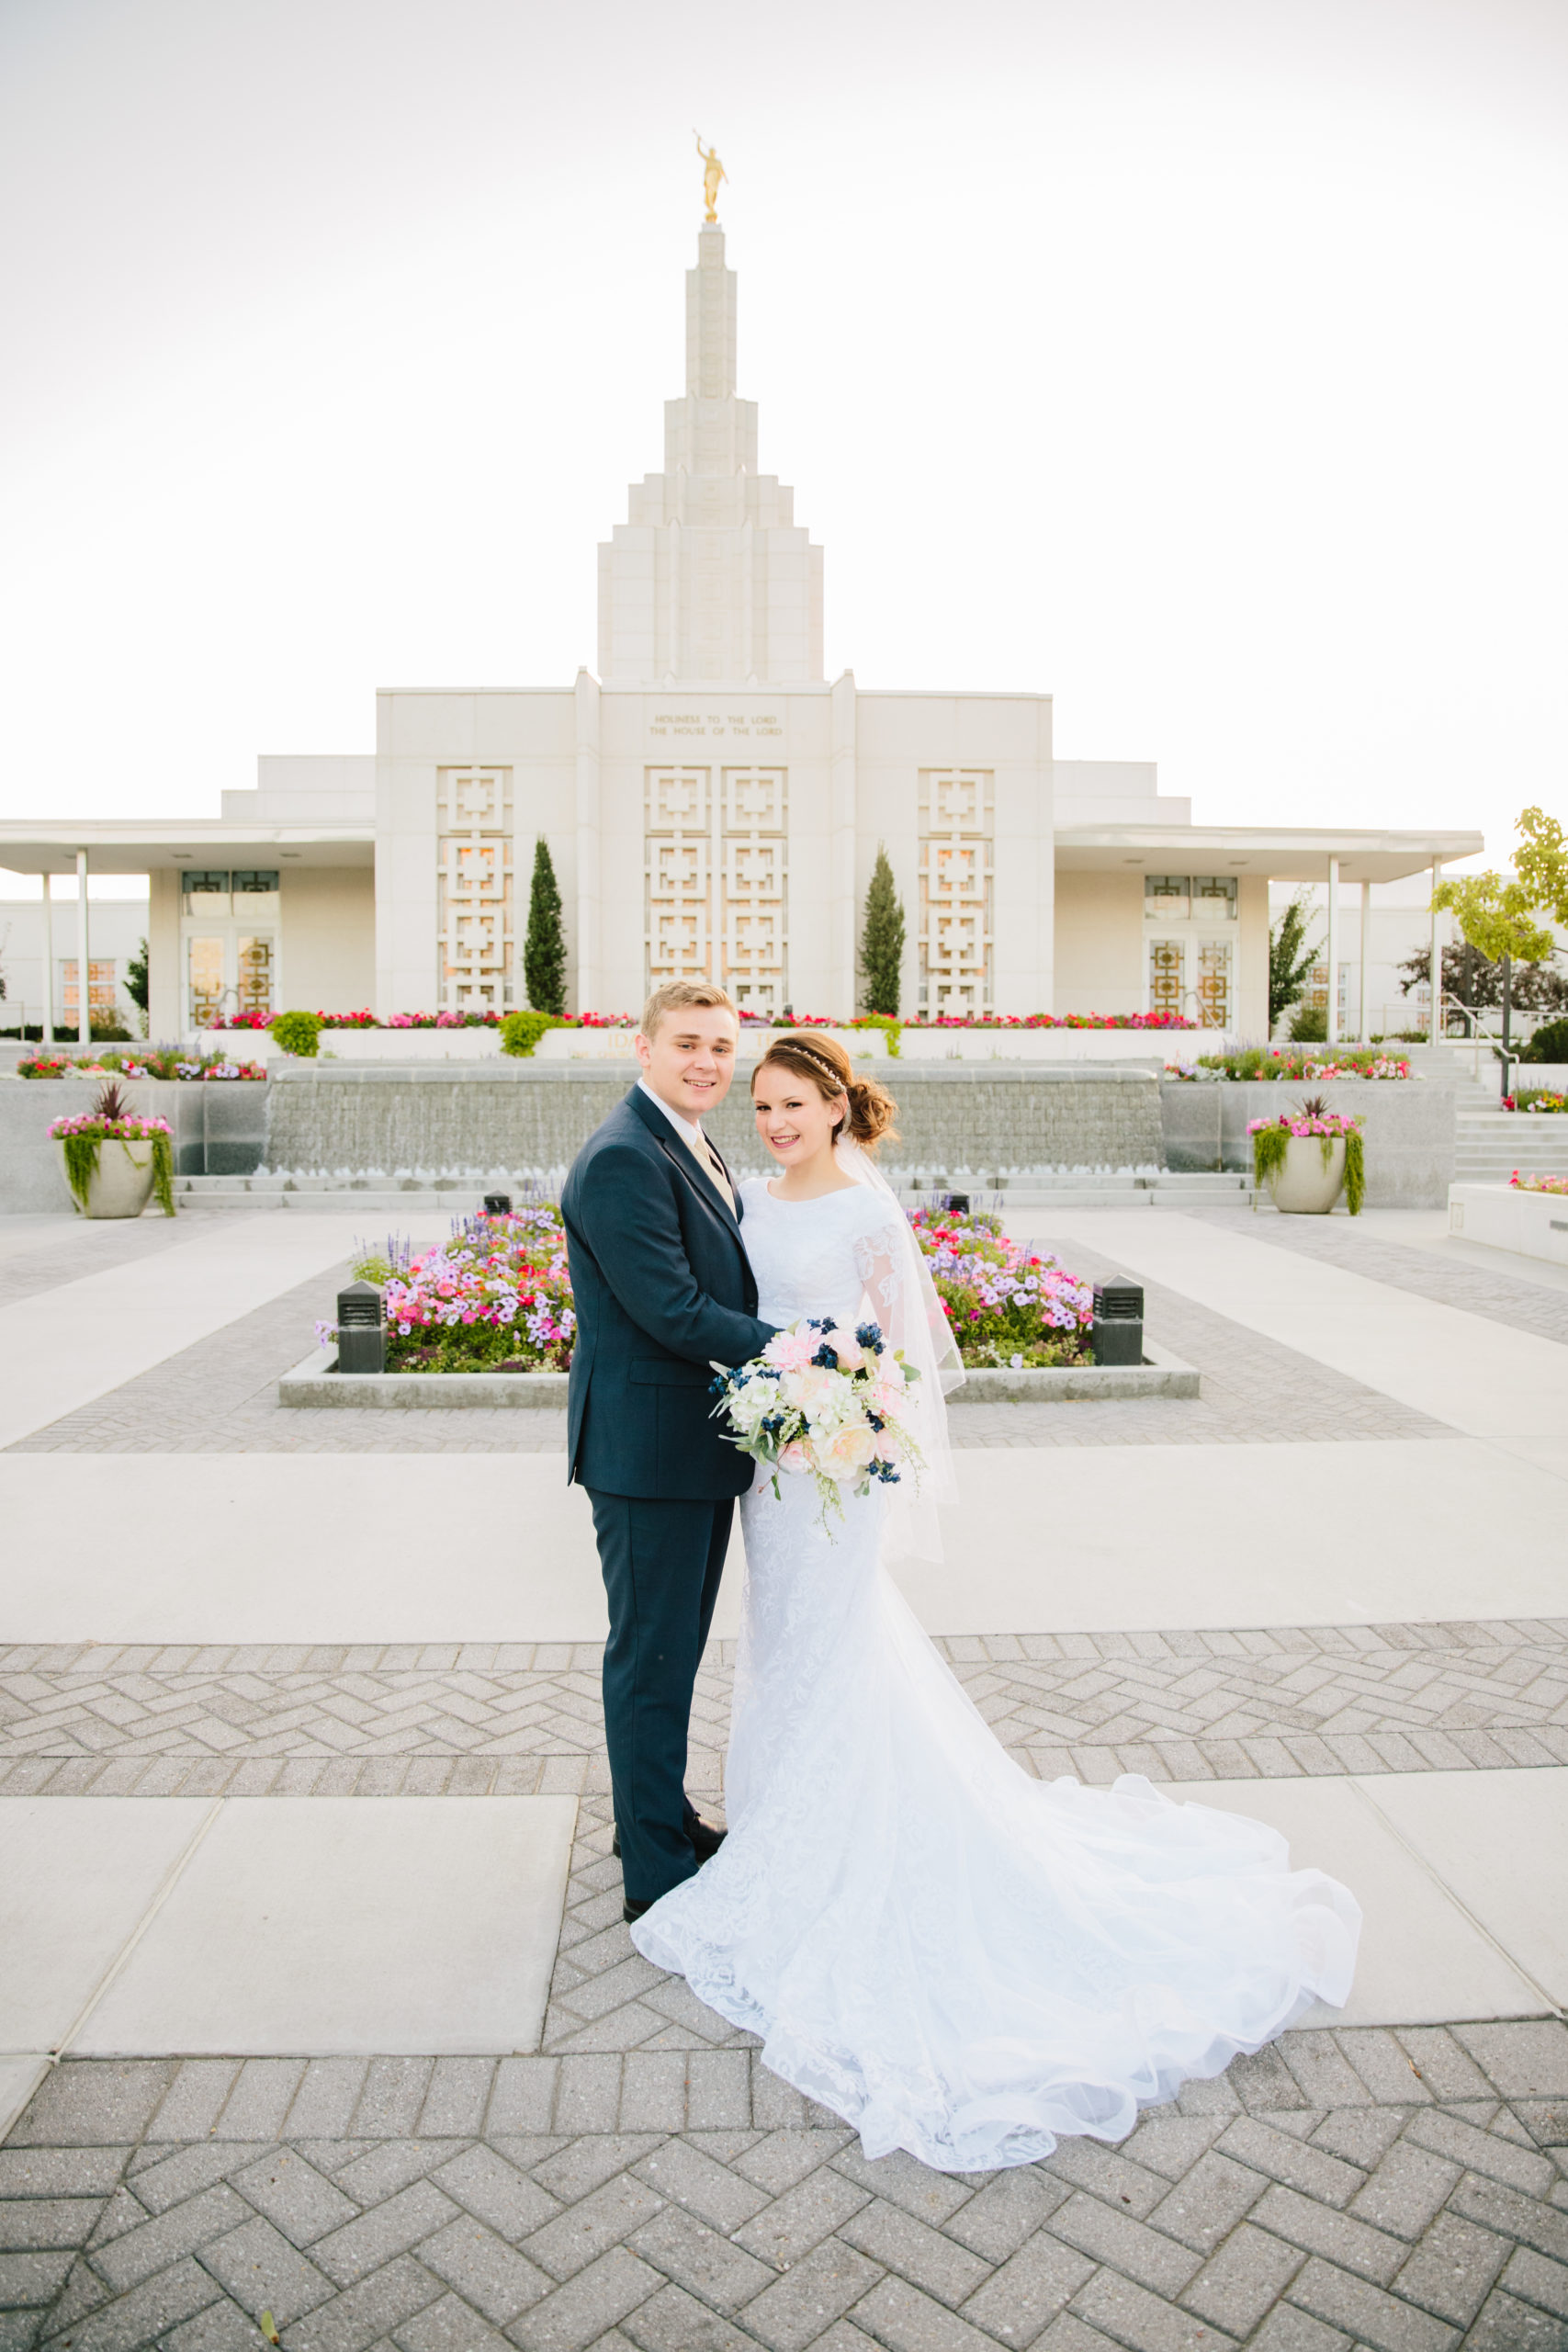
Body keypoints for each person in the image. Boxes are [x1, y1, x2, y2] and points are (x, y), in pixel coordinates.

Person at [630, 1032, 1362, 2172]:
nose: (773, 1120)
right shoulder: (752, 1196)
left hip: (833, 1467)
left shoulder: (868, 1214)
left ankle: (830, 1849)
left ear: (835, 1106)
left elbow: (898, 1360)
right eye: (762, 1103)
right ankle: (780, 1825)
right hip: (775, 1471)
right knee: (781, 1647)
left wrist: (845, 1423)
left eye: (792, 1102)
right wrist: (790, 1405)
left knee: (834, 1644)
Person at [561, 980, 776, 1921]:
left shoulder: (684, 1138)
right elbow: (673, 1308)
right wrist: (807, 1350)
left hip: (689, 1447)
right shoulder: (622, 1156)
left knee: (672, 1652)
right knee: (651, 1657)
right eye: (688, 1043)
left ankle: (661, 1814)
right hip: (648, 1453)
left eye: (723, 1048)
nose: (707, 1063)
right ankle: (654, 1873)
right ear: (641, 1048)